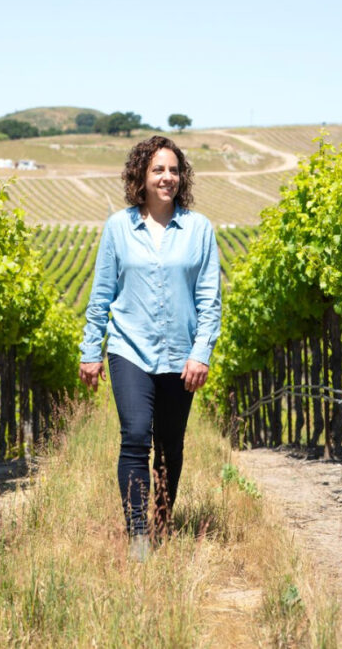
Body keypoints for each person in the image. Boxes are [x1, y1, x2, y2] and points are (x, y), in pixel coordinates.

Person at [79, 135, 221, 561]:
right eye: (158, 169)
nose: (167, 177)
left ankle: (161, 522)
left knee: (171, 445)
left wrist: (201, 353)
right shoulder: (118, 228)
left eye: (174, 170)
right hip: (129, 349)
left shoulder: (199, 229)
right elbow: (101, 294)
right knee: (136, 436)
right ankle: (139, 534)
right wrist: (90, 349)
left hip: (181, 354)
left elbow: (210, 300)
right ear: (141, 175)